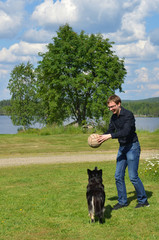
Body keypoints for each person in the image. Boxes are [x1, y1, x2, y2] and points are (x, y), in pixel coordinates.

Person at [97, 95, 149, 210]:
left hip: (132, 147)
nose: (111, 109)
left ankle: (143, 200)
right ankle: (122, 201)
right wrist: (101, 137)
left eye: (113, 106)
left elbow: (125, 131)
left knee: (133, 177)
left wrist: (110, 136)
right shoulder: (113, 118)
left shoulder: (128, 115)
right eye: (109, 107)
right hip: (122, 148)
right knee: (118, 176)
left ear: (119, 104)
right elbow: (110, 130)